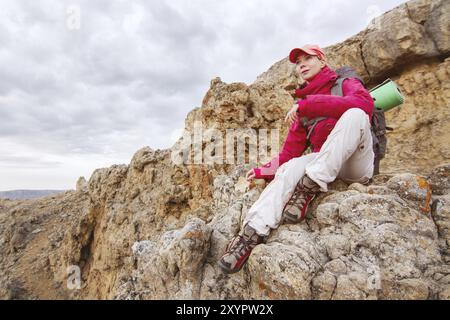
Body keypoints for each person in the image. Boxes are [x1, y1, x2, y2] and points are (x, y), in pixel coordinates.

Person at [218, 44, 375, 274]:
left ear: (322, 61)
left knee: (355, 114)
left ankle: (309, 185)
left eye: (308, 58)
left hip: (355, 165)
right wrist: (262, 171)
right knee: (290, 167)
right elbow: (289, 154)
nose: (301, 64)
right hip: (326, 161)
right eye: (298, 61)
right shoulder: (303, 109)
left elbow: (365, 104)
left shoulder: (344, 83)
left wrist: (307, 104)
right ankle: (250, 234)